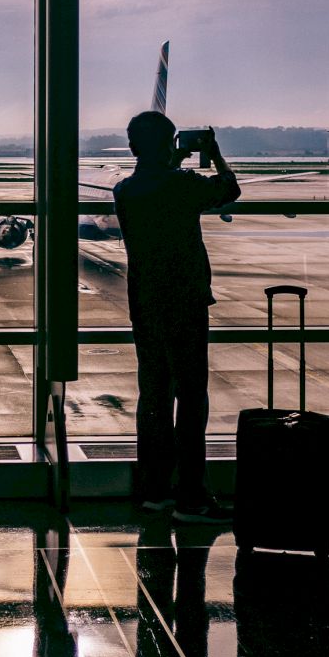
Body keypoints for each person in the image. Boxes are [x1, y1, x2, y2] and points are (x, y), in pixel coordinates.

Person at [113, 111, 240, 523]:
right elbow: (229, 190)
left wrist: (171, 157)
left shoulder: (125, 190)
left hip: (144, 302)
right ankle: (192, 497)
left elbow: (155, 180)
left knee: (153, 395)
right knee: (190, 397)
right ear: (171, 144)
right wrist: (214, 153)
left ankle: (154, 490)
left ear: (132, 147)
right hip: (184, 300)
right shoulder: (183, 184)